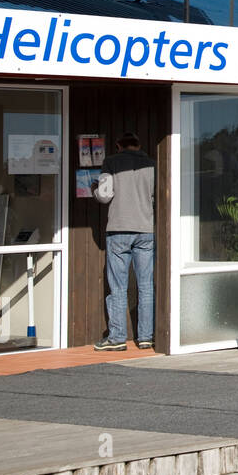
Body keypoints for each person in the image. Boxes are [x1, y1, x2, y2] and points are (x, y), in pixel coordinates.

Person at [92, 132, 156, 351]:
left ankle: (117, 338)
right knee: (146, 285)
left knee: (118, 286)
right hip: (146, 229)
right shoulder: (152, 165)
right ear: (138, 145)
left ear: (119, 145)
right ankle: (146, 337)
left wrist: (94, 189)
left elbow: (104, 195)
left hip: (119, 229)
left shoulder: (111, 162)